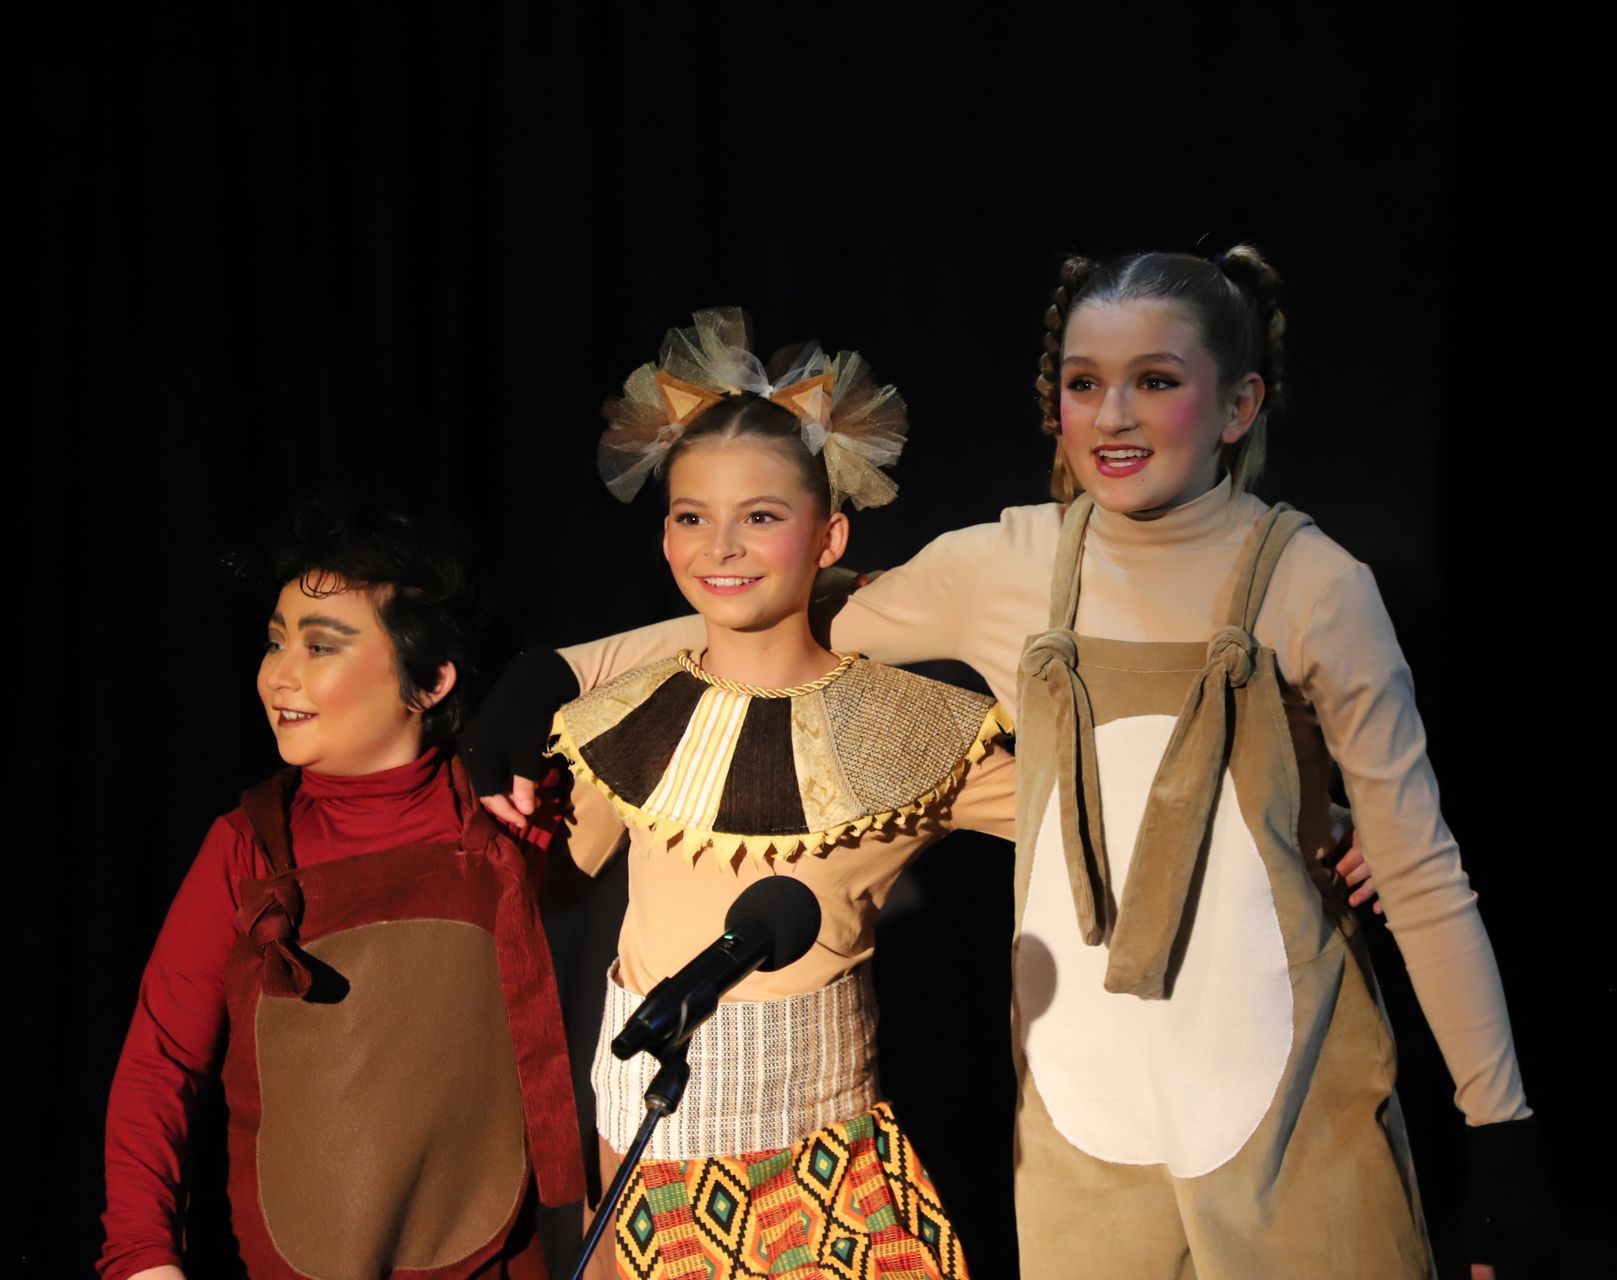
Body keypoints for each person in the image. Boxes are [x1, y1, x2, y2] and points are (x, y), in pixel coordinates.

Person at [471, 251, 1525, 1279]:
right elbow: (764, 621)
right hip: (1081, 1113)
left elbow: (1423, 871)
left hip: (1284, 1082)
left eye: (1155, 380)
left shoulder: (1316, 584)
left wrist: (1499, 1131)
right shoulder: (1004, 566)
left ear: (1239, 403)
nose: (1112, 415)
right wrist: (552, 674)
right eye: (1083, 382)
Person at [549, 310, 1011, 1280]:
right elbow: (533, 880)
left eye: (761, 514)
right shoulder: (618, 722)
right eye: (690, 515)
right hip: (649, 1168)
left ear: (829, 532)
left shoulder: (906, 724)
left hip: (830, 1171)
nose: (722, 543)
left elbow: (1093, 810)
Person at [99, 504, 583, 1280]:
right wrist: (141, 1257)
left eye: (320, 646)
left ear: (429, 682)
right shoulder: (247, 845)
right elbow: (160, 1063)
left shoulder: (511, 812)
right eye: (275, 640)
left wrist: (545, 681)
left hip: (495, 1257)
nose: (277, 674)